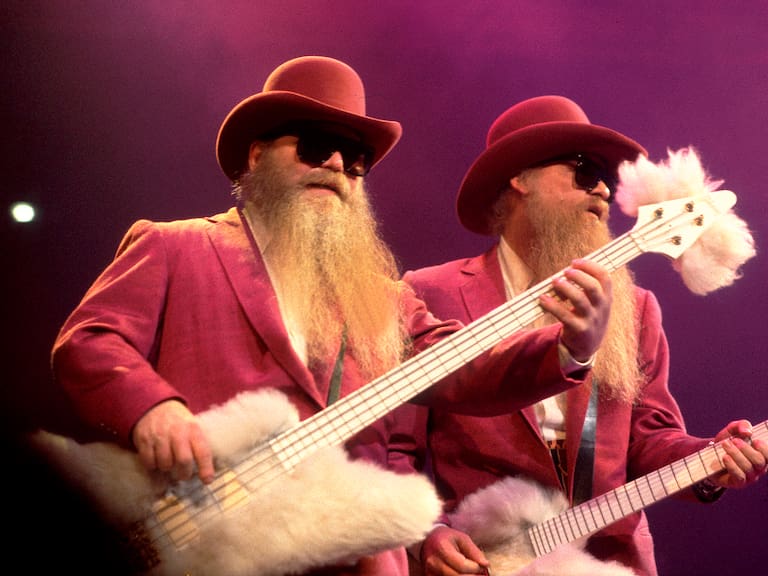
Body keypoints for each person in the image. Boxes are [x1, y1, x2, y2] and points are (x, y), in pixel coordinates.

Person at [46, 61, 610, 576]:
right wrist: (153, 409)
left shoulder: (384, 301)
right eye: (317, 147)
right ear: (257, 155)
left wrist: (571, 348)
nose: (339, 165)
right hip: (205, 542)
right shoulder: (176, 246)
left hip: (351, 558)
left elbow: (468, 367)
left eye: (355, 157)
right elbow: (92, 340)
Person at [390, 95, 768, 576]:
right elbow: (394, 450)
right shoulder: (429, 292)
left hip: (608, 560)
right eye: (586, 173)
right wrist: (428, 533)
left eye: (609, 183)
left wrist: (709, 459)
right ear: (520, 178)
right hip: (484, 559)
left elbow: (649, 438)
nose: (605, 194)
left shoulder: (635, 308)